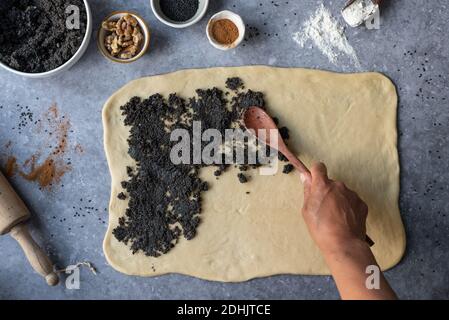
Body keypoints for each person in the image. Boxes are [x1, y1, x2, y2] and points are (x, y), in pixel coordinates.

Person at [301, 162, 397, 300]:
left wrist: (341, 242)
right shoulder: (373, 277)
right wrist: (345, 243)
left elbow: (374, 284)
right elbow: (374, 285)